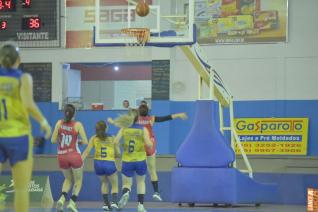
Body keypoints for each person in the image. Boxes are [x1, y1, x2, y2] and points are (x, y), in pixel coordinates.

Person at [0, 44, 51, 212]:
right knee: (21, 189)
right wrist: (43, 121)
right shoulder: (24, 78)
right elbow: (28, 104)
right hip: (18, 136)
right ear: (19, 60)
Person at [137, 104, 188, 201]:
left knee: (140, 173)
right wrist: (178, 115)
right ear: (148, 111)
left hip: (139, 145)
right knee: (152, 170)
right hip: (150, 145)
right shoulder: (151, 119)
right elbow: (166, 118)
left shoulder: (135, 120)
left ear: (139, 112)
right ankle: (156, 192)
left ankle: (129, 191)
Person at [113, 109, 152, 212]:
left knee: (126, 184)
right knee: (141, 182)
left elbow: (115, 141)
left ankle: (126, 192)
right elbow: (149, 145)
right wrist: (150, 142)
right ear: (137, 118)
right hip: (140, 160)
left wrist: (118, 152)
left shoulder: (123, 129)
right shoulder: (143, 129)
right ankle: (140, 205)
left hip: (127, 160)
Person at [51, 104, 88, 212]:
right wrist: (78, 141)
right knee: (78, 180)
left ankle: (61, 200)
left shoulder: (59, 123)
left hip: (61, 156)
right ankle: (72, 202)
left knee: (68, 179)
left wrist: (60, 136)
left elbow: (53, 140)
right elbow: (85, 141)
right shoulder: (78, 125)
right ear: (74, 113)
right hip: (74, 155)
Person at [82, 120, 119, 211]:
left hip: (98, 163)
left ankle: (106, 204)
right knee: (114, 184)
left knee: (104, 182)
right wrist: (115, 155)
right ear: (106, 128)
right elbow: (118, 153)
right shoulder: (112, 138)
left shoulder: (94, 138)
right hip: (109, 162)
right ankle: (114, 203)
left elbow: (87, 152)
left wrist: (80, 161)